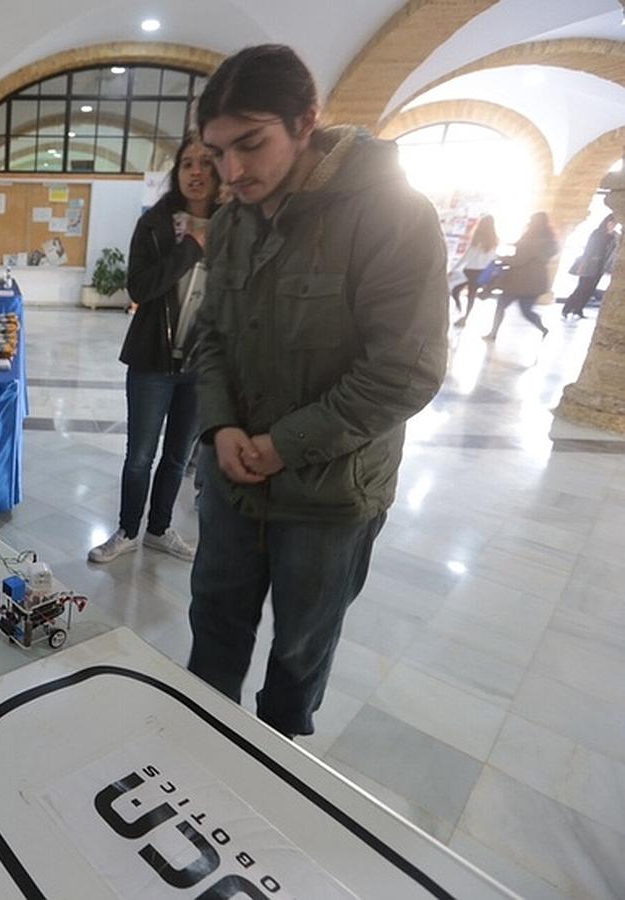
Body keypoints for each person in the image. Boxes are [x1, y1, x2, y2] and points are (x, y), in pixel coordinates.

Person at [187, 44, 448, 738]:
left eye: (251, 144)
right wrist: (220, 428)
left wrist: (283, 445)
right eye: (216, 154)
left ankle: (277, 775)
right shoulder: (237, 221)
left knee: (300, 652)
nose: (232, 171)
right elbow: (210, 337)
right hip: (235, 483)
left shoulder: (391, 215)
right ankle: (197, 755)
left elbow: (406, 370)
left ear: (307, 121)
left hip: (330, 495)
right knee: (213, 628)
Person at [88, 133, 221, 564]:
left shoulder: (235, 224)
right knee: (140, 455)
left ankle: (160, 530)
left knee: (179, 455)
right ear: (176, 172)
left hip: (201, 363)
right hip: (151, 359)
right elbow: (140, 287)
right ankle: (127, 530)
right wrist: (190, 249)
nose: (196, 172)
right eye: (187, 164)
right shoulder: (156, 224)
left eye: (205, 163)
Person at [483, 212, 558, 342]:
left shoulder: (532, 238)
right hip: (535, 283)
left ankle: (493, 333)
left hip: (518, 281)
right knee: (526, 310)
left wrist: (502, 258)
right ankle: (542, 327)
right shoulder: (549, 239)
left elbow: (519, 259)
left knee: (501, 306)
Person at [562, 213, 618, 319]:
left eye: (614, 224)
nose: (612, 225)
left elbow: (613, 251)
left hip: (600, 267)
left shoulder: (614, 236)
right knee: (581, 288)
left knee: (590, 289)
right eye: (611, 223)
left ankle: (578, 309)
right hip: (590, 264)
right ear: (606, 222)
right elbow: (589, 249)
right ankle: (567, 308)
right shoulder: (597, 233)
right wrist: (583, 264)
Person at [449, 214, 499, 327]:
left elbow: (467, 256)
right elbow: (493, 258)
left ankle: (460, 312)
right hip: (481, 272)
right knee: (471, 295)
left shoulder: (477, 238)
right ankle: (464, 317)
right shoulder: (494, 240)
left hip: (470, 270)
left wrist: (454, 268)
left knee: (456, 290)